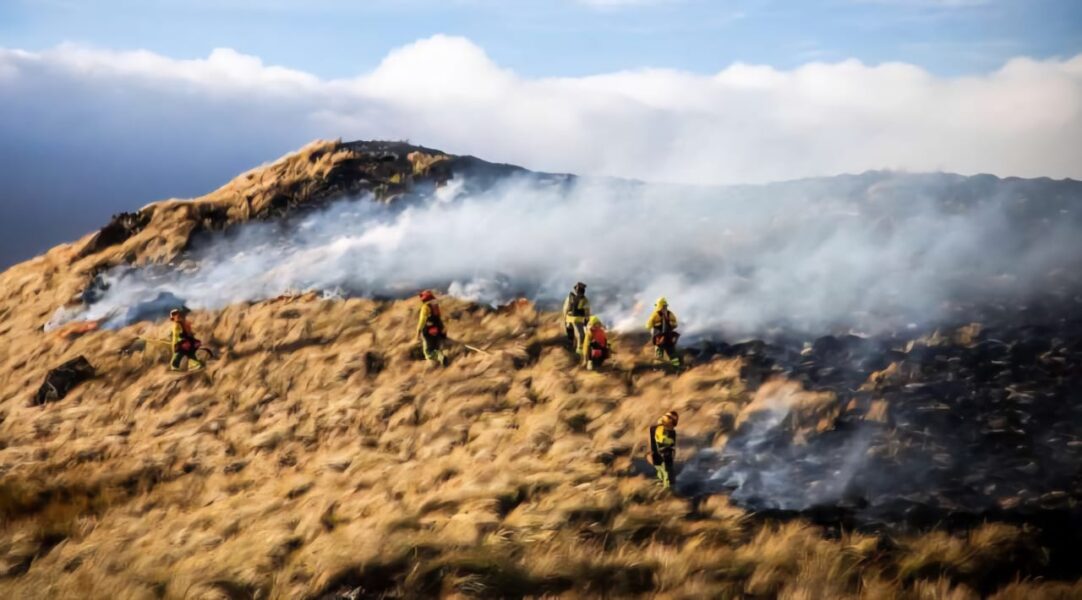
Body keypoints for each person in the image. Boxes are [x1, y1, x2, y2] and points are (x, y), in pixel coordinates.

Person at [645, 297, 681, 366]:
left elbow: (648, 325)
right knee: (672, 353)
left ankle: (659, 368)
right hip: (669, 338)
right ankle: (677, 367)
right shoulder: (670, 314)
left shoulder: (655, 315)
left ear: (658, 305)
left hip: (659, 338)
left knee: (659, 354)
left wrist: (654, 326)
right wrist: (670, 325)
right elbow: (675, 324)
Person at [416, 290, 447, 366]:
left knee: (428, 352)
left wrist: (418, 332)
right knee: (435, 347)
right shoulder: (435, 305)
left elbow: (422, 321)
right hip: (437, 330)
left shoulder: (425, 307)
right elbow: (439, 318)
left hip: (428, 331)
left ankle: (440, 357)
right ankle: (440, 363)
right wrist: (443, 330)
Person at [650, 410, 679, 489]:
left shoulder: (655, 427)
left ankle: (662, 487)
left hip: (657, 455)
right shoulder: (664, 429)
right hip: (664, 455)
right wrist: (671, 444)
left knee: (661, 474)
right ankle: (668, 491)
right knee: (668, 477)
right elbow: (663, 440)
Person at [562, 282, 591, 354]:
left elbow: (565, 308)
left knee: (572, 334)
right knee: (581, 335)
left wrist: (565, 318)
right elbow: (587, 312)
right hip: (576, 319)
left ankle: (572, 348)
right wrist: (587, 321)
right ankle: (578, 351)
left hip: (571, 319)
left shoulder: (570, 297)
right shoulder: (584, 300)